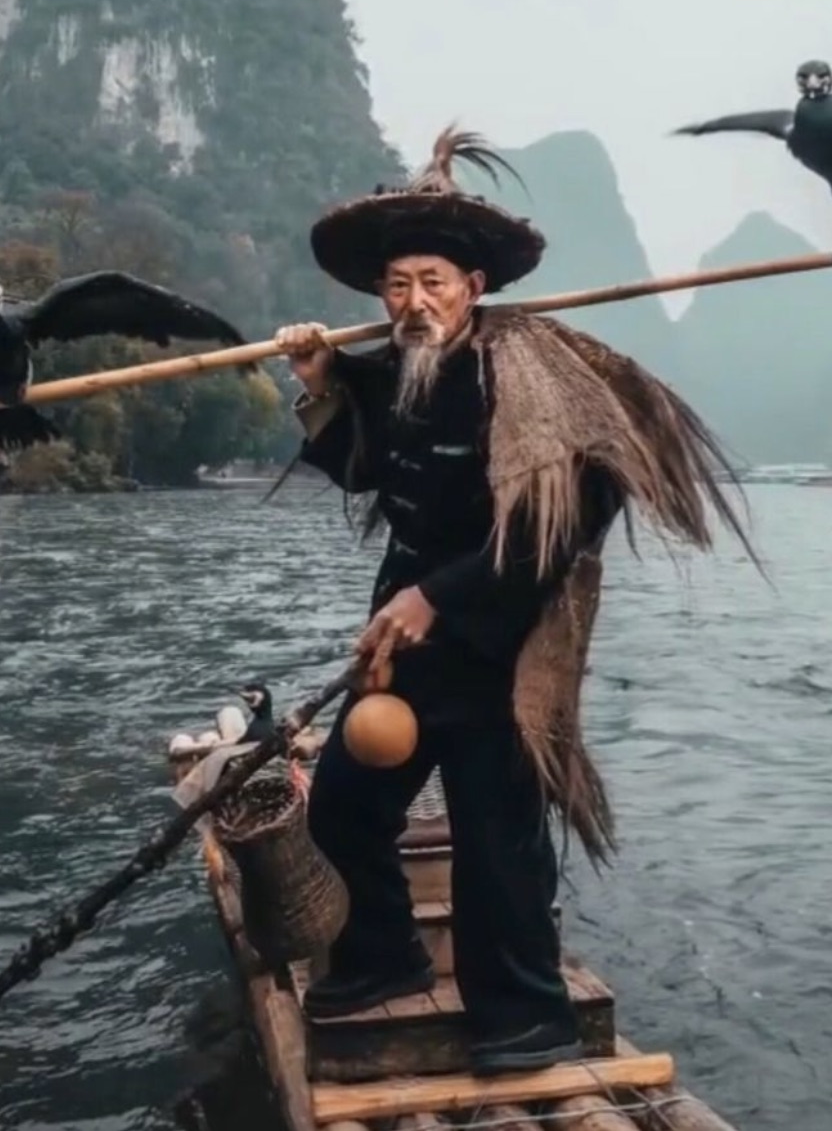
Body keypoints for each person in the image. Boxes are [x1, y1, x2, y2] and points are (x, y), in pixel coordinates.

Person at [274, 127, 755, 1077]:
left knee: (499, 844)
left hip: (501, 647)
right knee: (340, 809)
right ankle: (380, 959)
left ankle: (525, 1017)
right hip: (402, 650)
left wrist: (439, 597)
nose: (413, 303)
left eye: (433, 284)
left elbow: (571, 513)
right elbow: (368, 475)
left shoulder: (532, 378)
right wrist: (320, 386)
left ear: (474, 288)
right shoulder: (394, 368)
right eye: (397, 285)